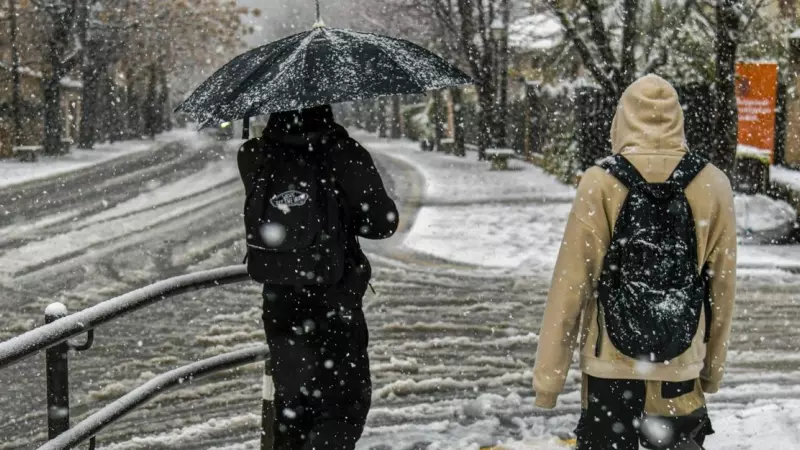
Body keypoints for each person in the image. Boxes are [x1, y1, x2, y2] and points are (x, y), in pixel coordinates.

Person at [533, 75, 737, 450]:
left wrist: (549, 380)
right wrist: (711, 369)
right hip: (680, 359)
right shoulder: (713, 183)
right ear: (679, 119)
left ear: (621, 120)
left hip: (610, 364)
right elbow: (721, 288)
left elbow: (570, 285)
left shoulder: (599, 182)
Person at [237, 105, 398, 450]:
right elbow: (382, 224)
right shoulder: (343, 154)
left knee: (292, 408)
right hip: (333, 299)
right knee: (342, 406)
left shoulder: (254, 154)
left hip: (279, 302)